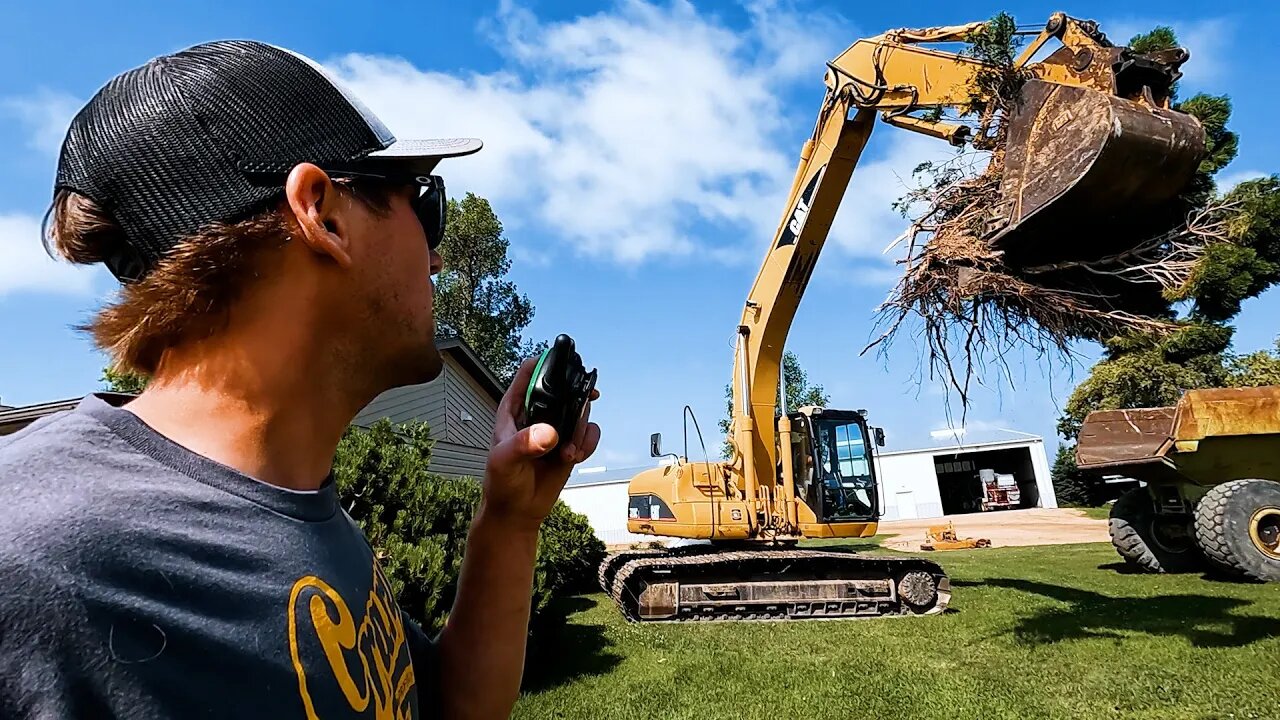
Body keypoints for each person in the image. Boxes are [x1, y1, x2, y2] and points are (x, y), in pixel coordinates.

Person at [0, 40, 600, 719]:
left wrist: (512, 520)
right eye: (423, 202)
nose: (436, 257)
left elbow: (450, 707)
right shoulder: (27, 554)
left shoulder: (301, 509)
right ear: (323, 211)